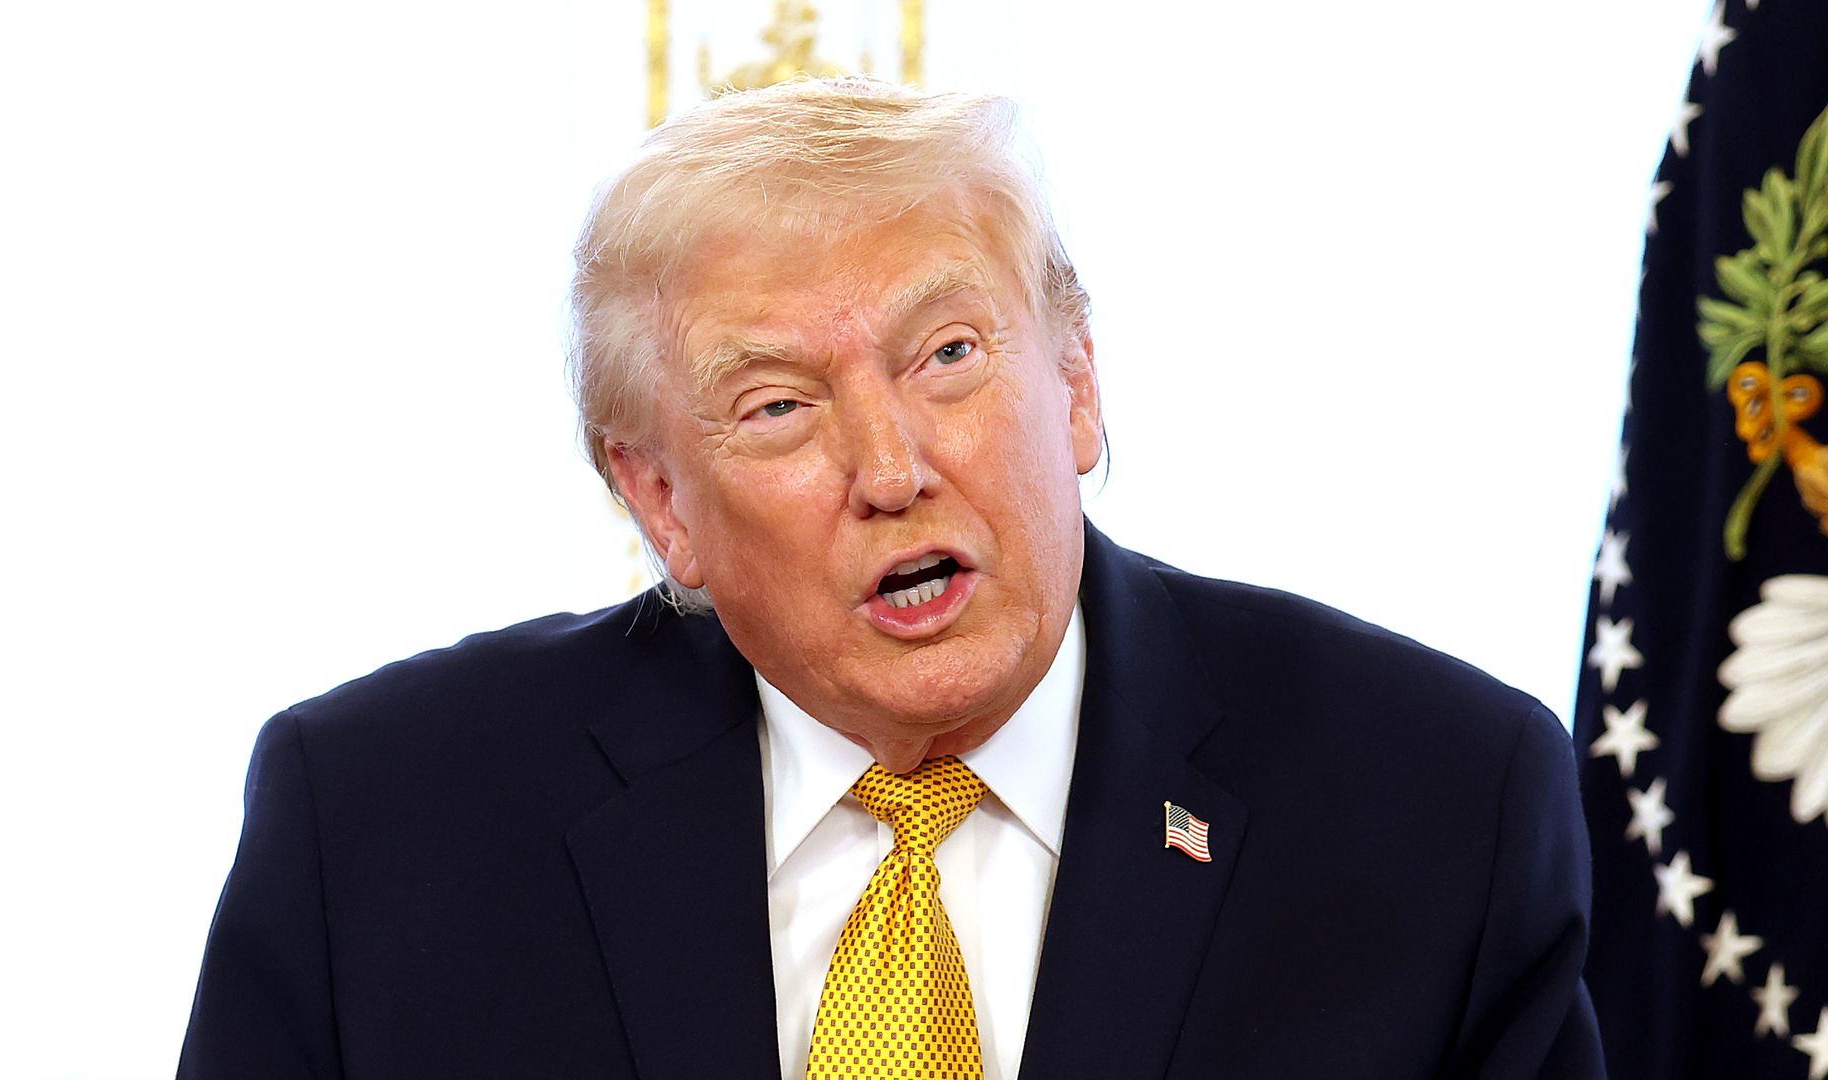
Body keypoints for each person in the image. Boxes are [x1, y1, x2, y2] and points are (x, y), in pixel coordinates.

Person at [178, 77, 1605, 1079]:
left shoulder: (1434, 805)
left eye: (949, 356)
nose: (891, 466)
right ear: (661, 501)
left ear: (1077, 380)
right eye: (778, 406)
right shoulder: (381, 830)